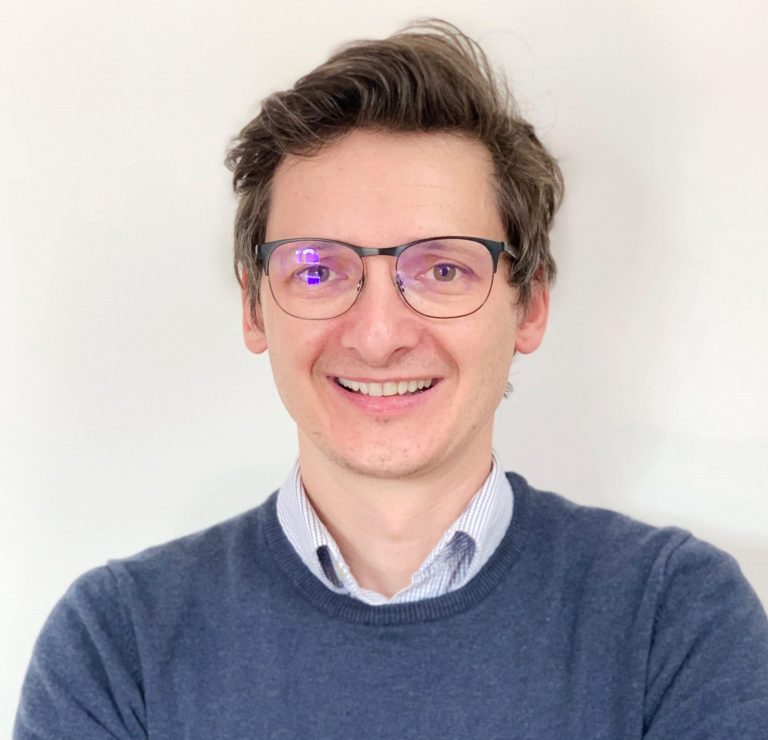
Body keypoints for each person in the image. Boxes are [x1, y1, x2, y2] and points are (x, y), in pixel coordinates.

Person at [15, 20, 768, 739]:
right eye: (317, 270)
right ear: (253, 308)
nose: (378, 336)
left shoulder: (674, 622)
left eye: (443, 270)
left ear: (530, 305)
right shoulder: (118, 646)